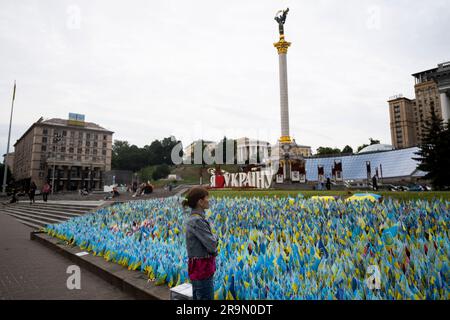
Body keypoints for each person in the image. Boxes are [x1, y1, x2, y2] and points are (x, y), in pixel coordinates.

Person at [183, 187, 218, 300]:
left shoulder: (193, 218)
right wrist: (216, 237)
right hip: (202, 269)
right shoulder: (198, 221)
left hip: (198, 269)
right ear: (200, 201)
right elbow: (212, 245)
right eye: (207, 198)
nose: (209, 200)